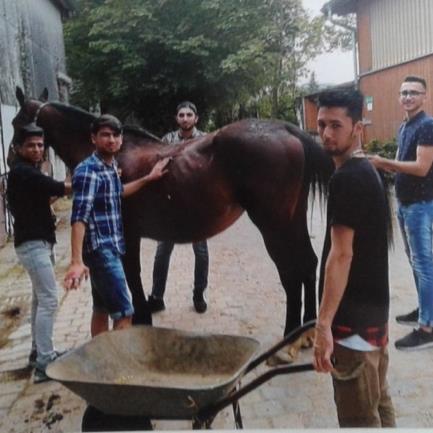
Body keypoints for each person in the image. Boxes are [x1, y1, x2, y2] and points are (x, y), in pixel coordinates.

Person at [313, 89, 395, 427]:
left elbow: (342, 255)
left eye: (336, 125)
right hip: (374, 316)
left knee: (359, 419)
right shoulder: (367, 170)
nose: (327, 134)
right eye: (321, 125)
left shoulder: (346, 178)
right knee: (379, 405)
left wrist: (323, 326)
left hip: (352, 326)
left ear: (357, 128)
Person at [64, 114, 169, 337]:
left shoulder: (110, 167)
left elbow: (118, 192)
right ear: (93, 138)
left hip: (111, 247)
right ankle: (121, 372)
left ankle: (100, 361)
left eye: (115, 135)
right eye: (105, 135)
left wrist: (149, 178)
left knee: (101, 308)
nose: (111, 140)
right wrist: (75, 261)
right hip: (101, 251)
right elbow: (78, 217)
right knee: (124, 313)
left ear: (121, 140)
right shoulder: (88, 171)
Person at [370, 75, 433, 350]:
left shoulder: (427, 126)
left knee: (425, 264)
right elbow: (401, 160)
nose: (407, 97)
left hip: (421, 205)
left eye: (413, 93)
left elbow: (421, 167)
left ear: (425, 96)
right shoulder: (405, 126)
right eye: (403, 92)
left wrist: (385, 162)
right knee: (415, 262)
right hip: (405, 203)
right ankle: (424, 309)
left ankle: (427, 328)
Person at [7, 122, 72, 383]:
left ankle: (39, 352)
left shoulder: (26, 173)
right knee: (49, 300)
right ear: (18, 148)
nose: (37, 149)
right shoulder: (23, 172)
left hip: (39, 242)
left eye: (40, 145)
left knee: (39, 300)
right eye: (31, 145)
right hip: (33, 245)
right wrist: (92, 175)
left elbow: (46, 198)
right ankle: (45, 363)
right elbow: (61, 189)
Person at [147, 101, 209, 314]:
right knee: (162, 251)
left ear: (196, 118)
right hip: (171, 205)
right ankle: (156, 296)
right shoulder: (166, 141)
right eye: (181, 115)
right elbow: (156, 169)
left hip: (197, 206)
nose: (185, 118)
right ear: (176, 118)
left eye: (189, 115)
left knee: (201, 252)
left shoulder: (206, 140)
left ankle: (199, 294)